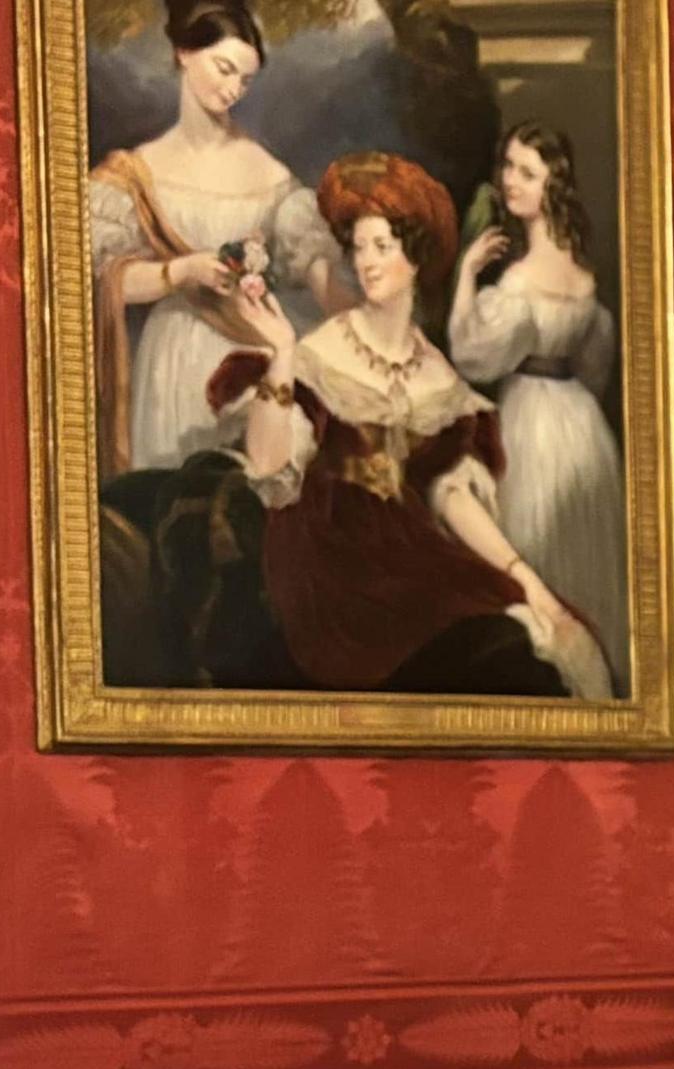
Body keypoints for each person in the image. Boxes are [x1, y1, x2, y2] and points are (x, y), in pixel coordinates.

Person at [213, 152, 609, 698]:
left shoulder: (437, 377)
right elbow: (270, 469)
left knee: (531, 633)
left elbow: (453, 497)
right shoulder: (323, 350)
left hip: (410, 546)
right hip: (327, 553)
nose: (367, 263)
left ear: (417, 257)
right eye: (359, 247)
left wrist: (531, 583)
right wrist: (281, 353)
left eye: (383, 247)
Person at [85, 0, 350, 477]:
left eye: (245, 81)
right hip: (170, 362)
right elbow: (104, 279)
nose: (232, 90)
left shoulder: (268, 173)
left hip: (249, 358)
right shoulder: (134, 173)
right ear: (185, 53)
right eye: (224, 69)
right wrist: (180, 272)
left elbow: (320, 275)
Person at [450, 121, 629, 688]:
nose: (510, 182)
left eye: (527, 172)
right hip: (582, 426)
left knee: (543, 544)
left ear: (555, 185)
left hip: (530, 420)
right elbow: (595, 369)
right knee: (568, 553)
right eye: (507, 167)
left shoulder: (520, 280)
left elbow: (471, 356)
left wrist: (466, 276)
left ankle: (563, 676)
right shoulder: (585, 276)